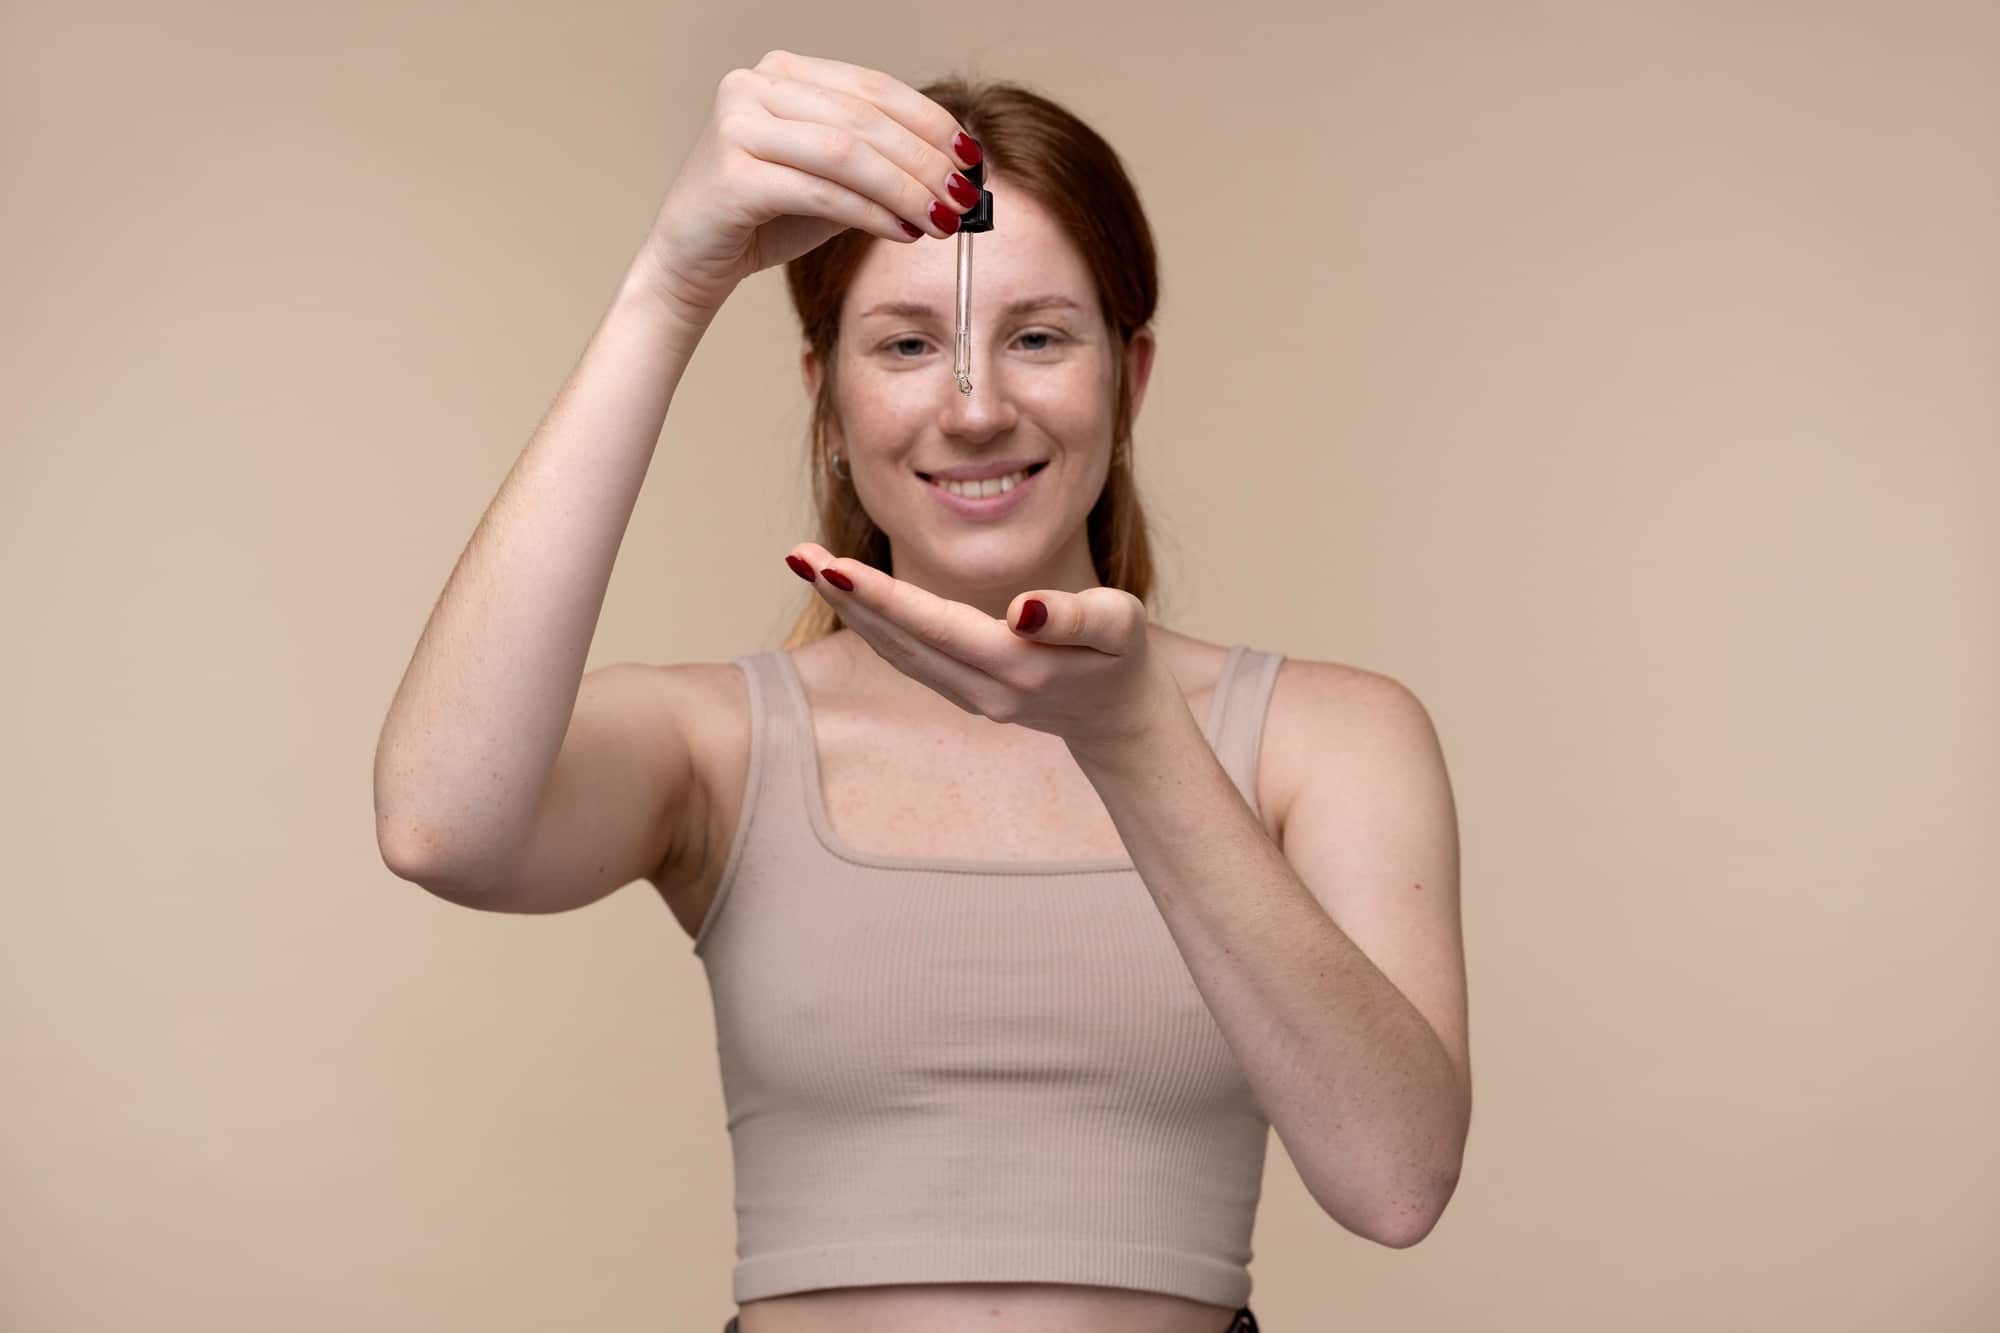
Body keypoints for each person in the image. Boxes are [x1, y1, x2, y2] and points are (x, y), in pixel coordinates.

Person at [373, 49, 1470, 1333]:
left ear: (1129, 379)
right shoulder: (718, 743)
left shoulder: (1328, 738)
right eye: (905, 344)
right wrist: (670, 286)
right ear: (825, 398)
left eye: (1038, 337)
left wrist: (1134, 742)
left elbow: (1394, 1180)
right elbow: (438, 825)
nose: (974, 407)